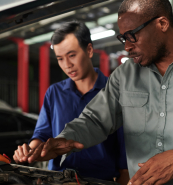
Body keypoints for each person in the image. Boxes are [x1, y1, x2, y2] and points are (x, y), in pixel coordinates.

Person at [22, 0, 173, 184]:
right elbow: (95, 120)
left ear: (162, 24)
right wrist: (67, 138)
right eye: (122, 38)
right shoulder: (125, 76)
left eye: (132, 35)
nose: (126, 46)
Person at [13, 21, 129, 184]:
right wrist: (30, 151)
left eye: (72, 55)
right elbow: (43, 134)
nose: (67, 65)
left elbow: (125, 153)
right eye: (60, 58)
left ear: (89, 50)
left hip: (99, 181)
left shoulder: (114, 93)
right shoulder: (54, 93)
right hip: (58, 180)